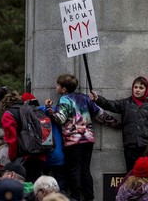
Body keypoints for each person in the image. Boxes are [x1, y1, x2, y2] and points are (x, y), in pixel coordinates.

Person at [45, 73, 119, 201]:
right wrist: (115, 123)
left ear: (63, 89)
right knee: (85, 170)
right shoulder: (84, 98)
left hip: (73, 141)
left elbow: (60, 119)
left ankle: (75, 198)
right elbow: (99, 113)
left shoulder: (64, 99)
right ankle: (90, 197)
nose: (55, 86)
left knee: (74, 170)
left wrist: (49, 109)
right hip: (88, 139)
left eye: (57, 85)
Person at [90, 76, 148, 172]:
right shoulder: (125, 103)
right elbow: (111, 105)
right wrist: (97, 99)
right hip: (131, 146)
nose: (137, 90)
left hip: (147, 146)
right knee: (132, 173)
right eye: (136, 87)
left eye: (141, 88)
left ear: (146, 90)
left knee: (147, 173)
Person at [0, 86, 46, 183]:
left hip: (25, 158)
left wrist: (12, 159)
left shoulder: (8, 114)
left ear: (1, 102)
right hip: (40, 153)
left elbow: (12, 141)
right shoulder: (27, 106)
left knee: (26, 189)